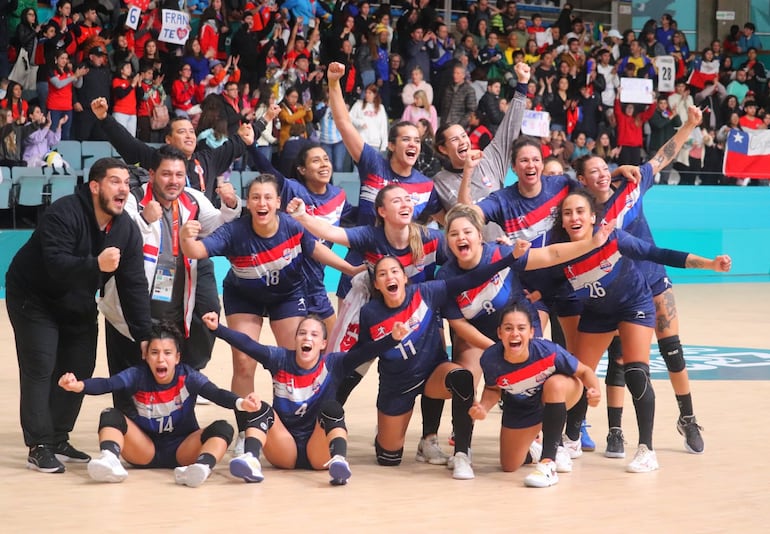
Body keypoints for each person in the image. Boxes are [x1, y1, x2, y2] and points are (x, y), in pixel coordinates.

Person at [547, 189, 731, 472]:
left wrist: (709, 264)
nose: (574, 218)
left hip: (635, 306)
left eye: (580, 211)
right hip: (597, 313)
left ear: (593, 216)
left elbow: (657, 253)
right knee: (578, 373)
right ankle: (570, 439)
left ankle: (647, 450)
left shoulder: (612, 237)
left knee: (635, 371)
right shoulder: (559, 253)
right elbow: (533, 273)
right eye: (568, 213)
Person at [179, 174, 363, 453]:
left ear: (278, 202)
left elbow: (314, 249)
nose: (261, 202)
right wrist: (185, 236)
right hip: (244, 297)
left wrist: (350, 270)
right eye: (255, 197)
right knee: (243, 363)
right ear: (247, 202)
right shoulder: (234, 232)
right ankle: (247, 431)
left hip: (287, 297)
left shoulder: (292, 226)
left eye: (268, 197)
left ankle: (292, 428)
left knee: (296, 362)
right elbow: (196, 250)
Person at [574, 105, 711, 455]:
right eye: (595, 172)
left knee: (673, 352)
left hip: (654, 281)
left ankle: (688, 417)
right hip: (620, 292)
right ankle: (615, 432)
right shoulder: (587, 217)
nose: (603, 175)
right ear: (583, 181)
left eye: (605, 168)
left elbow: (661, 157)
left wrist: (690, 125)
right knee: (620, 360)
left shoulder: (632, 185)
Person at [6, 158, 152, 474]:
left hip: (78, 301)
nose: (124, 189)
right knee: (41, 366)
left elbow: (134, 286)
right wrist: (95, 265)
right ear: (95, 186)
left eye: (127, 183)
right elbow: (57, 265)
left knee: (80, 368)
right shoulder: (64, 212)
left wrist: (145, 336)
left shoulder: (125, 229)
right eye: (115, 181)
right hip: (34, 296)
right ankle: (40, 444)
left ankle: (59, 437)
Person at [101, 145, 241, 408]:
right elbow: (117, 238)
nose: (174, 181)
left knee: (166, 379)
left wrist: (231, 206)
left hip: (173, 302)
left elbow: (218, 226)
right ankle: (121, 434)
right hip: (129, 307)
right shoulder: (133, 198)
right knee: (127, 382)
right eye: (166, 174)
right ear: (152, 174)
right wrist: (144, 219)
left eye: (178, 175)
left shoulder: (193, 198)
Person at [203, 312, 409, 485]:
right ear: (295, 340)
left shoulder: (334, 364)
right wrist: (217, 329)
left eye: (314, 334)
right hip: (285, 448)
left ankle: (338, 461)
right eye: (302, 333)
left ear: (323, 343)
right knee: (260, 407)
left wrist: (392, 338)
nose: (307, 338)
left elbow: (364, 353)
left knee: (333, 408)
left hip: (318, 450)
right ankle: (251, 461)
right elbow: (248, 344)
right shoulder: (279, 359)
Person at [57, 322, 260, 487]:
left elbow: (216, 394)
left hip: (183, 449)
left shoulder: (188, 376)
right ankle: (110, 460)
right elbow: (107, 384)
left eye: (167, 353)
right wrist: (79, 385)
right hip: (145, 448)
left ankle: (200, 468)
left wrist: (242, 403)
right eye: (154, 352)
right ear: (146, 355)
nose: (160, 359)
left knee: (223, 428)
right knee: (110, 414)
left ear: (177, 357)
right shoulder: (137, 375)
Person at [437, 201, 616, 385]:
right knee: (463, 382)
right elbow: (458, 324)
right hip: (481, 337)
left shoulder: (501, 253)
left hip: (520, 327)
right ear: (448, 241)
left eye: (467, 232)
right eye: (454, 234)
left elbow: (550, 254)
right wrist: (496, 349)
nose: (461, 237)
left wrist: (592, 243)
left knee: (535, 382)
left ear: (479, 235)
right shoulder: (445, 276)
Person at [469, 302, 601, 487]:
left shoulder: (548, 351)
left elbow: (584, 372)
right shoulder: (490, 359)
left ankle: (548, 463)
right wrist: (483, 407)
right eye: (508, 328)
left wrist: (595, 390)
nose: (515, 333)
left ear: (531, 332)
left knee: (554, 384)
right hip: (523, 406)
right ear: (499, 333)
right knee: (509, 465)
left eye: (521, 328)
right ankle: (537, 448)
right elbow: (493, 389)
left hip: (560, 395)